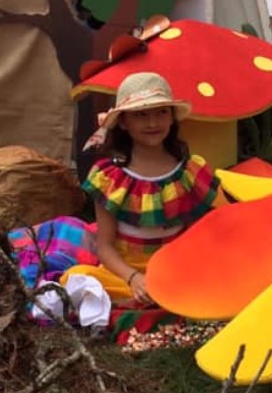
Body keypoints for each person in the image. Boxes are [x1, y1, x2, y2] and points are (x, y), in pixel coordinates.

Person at [77, 73, 222, 306]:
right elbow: (104, 247)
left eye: (161, 112)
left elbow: (196, 239)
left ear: (172, 118)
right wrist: (134, 279)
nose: (153, 123)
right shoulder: (108, 178)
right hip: (125, 272)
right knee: (79, 282)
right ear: (123, 122)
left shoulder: (188, 172)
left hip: (176, 269)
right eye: (141, 115)